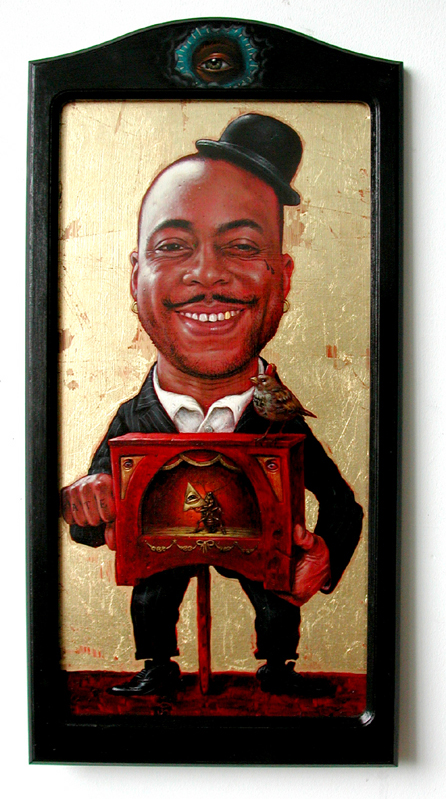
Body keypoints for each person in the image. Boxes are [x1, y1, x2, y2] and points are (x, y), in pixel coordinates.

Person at [61, 114, 363, 696]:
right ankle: (157, 665)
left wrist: (323, 556)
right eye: (173, 247)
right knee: (153, 590)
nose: (206, 274)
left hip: (258, 546)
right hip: (165, 545)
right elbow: (93, 521)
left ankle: (278, 667)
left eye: (242, 246)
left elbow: (341, 504)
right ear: (136, 276)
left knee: (274, 590)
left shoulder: (280, 419)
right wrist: (87, 502)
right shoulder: (134, 418)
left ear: (282, 277)